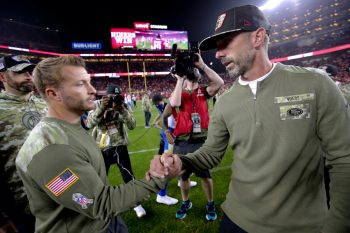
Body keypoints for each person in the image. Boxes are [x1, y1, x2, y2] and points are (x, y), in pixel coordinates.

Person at [149, 4, 350, 233]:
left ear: (258, 37)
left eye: (226, 42)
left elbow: (343, 159)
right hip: (236, 221)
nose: (218, 53)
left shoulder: (316, 85)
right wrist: (182, 162)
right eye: (217, 46)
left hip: (303, 225)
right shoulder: (225, 102)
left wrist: (338, 224)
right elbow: (211, 153)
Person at [15, 55, 167, 233]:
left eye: (89, 82)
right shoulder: (50, 150)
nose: (93, 90)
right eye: (80, 84)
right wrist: (157, 178)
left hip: (105, 221)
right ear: (53, 93)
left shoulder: (71, 127)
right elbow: (98, 203)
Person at [165, 52, 224, 220]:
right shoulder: (180, 93)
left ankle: (210, 203)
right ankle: (185, 202)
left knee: (205, 175)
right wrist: (179, 79)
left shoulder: (204, 91)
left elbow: (219, 82)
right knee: (183, 175)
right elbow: (175, 104)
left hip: (200, 141)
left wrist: (203, 65)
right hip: (182, 141)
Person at [0, 55, 47, 233]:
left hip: (63, 196)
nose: (29, 76)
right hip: (26, 209)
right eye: (20, 72)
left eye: (30, 71)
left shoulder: (46, 104)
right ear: (2, 77)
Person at [86, 84, 146, 218]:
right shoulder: (97, 105)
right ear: (106, 96)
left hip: (119, 146)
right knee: (99, 179)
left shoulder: (122, 106)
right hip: (102, 149)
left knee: (129, 177)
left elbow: (132, 125)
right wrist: (102, 108)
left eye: (117, 97)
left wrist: (122, 110)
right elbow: (89, 124)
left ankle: (136, 204)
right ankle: (100, 205)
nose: (115, 100)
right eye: (112, 97)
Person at [151, 94, 178, 205]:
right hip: (170, 135)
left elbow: (162, 114)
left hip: (171, 133)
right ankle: (161, 195)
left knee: (179, 158)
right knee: (168, 163)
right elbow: (166, 117)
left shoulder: (162, 105)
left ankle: (182, 180)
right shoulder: (168, 105)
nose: (158, 105)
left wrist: (157, 121)